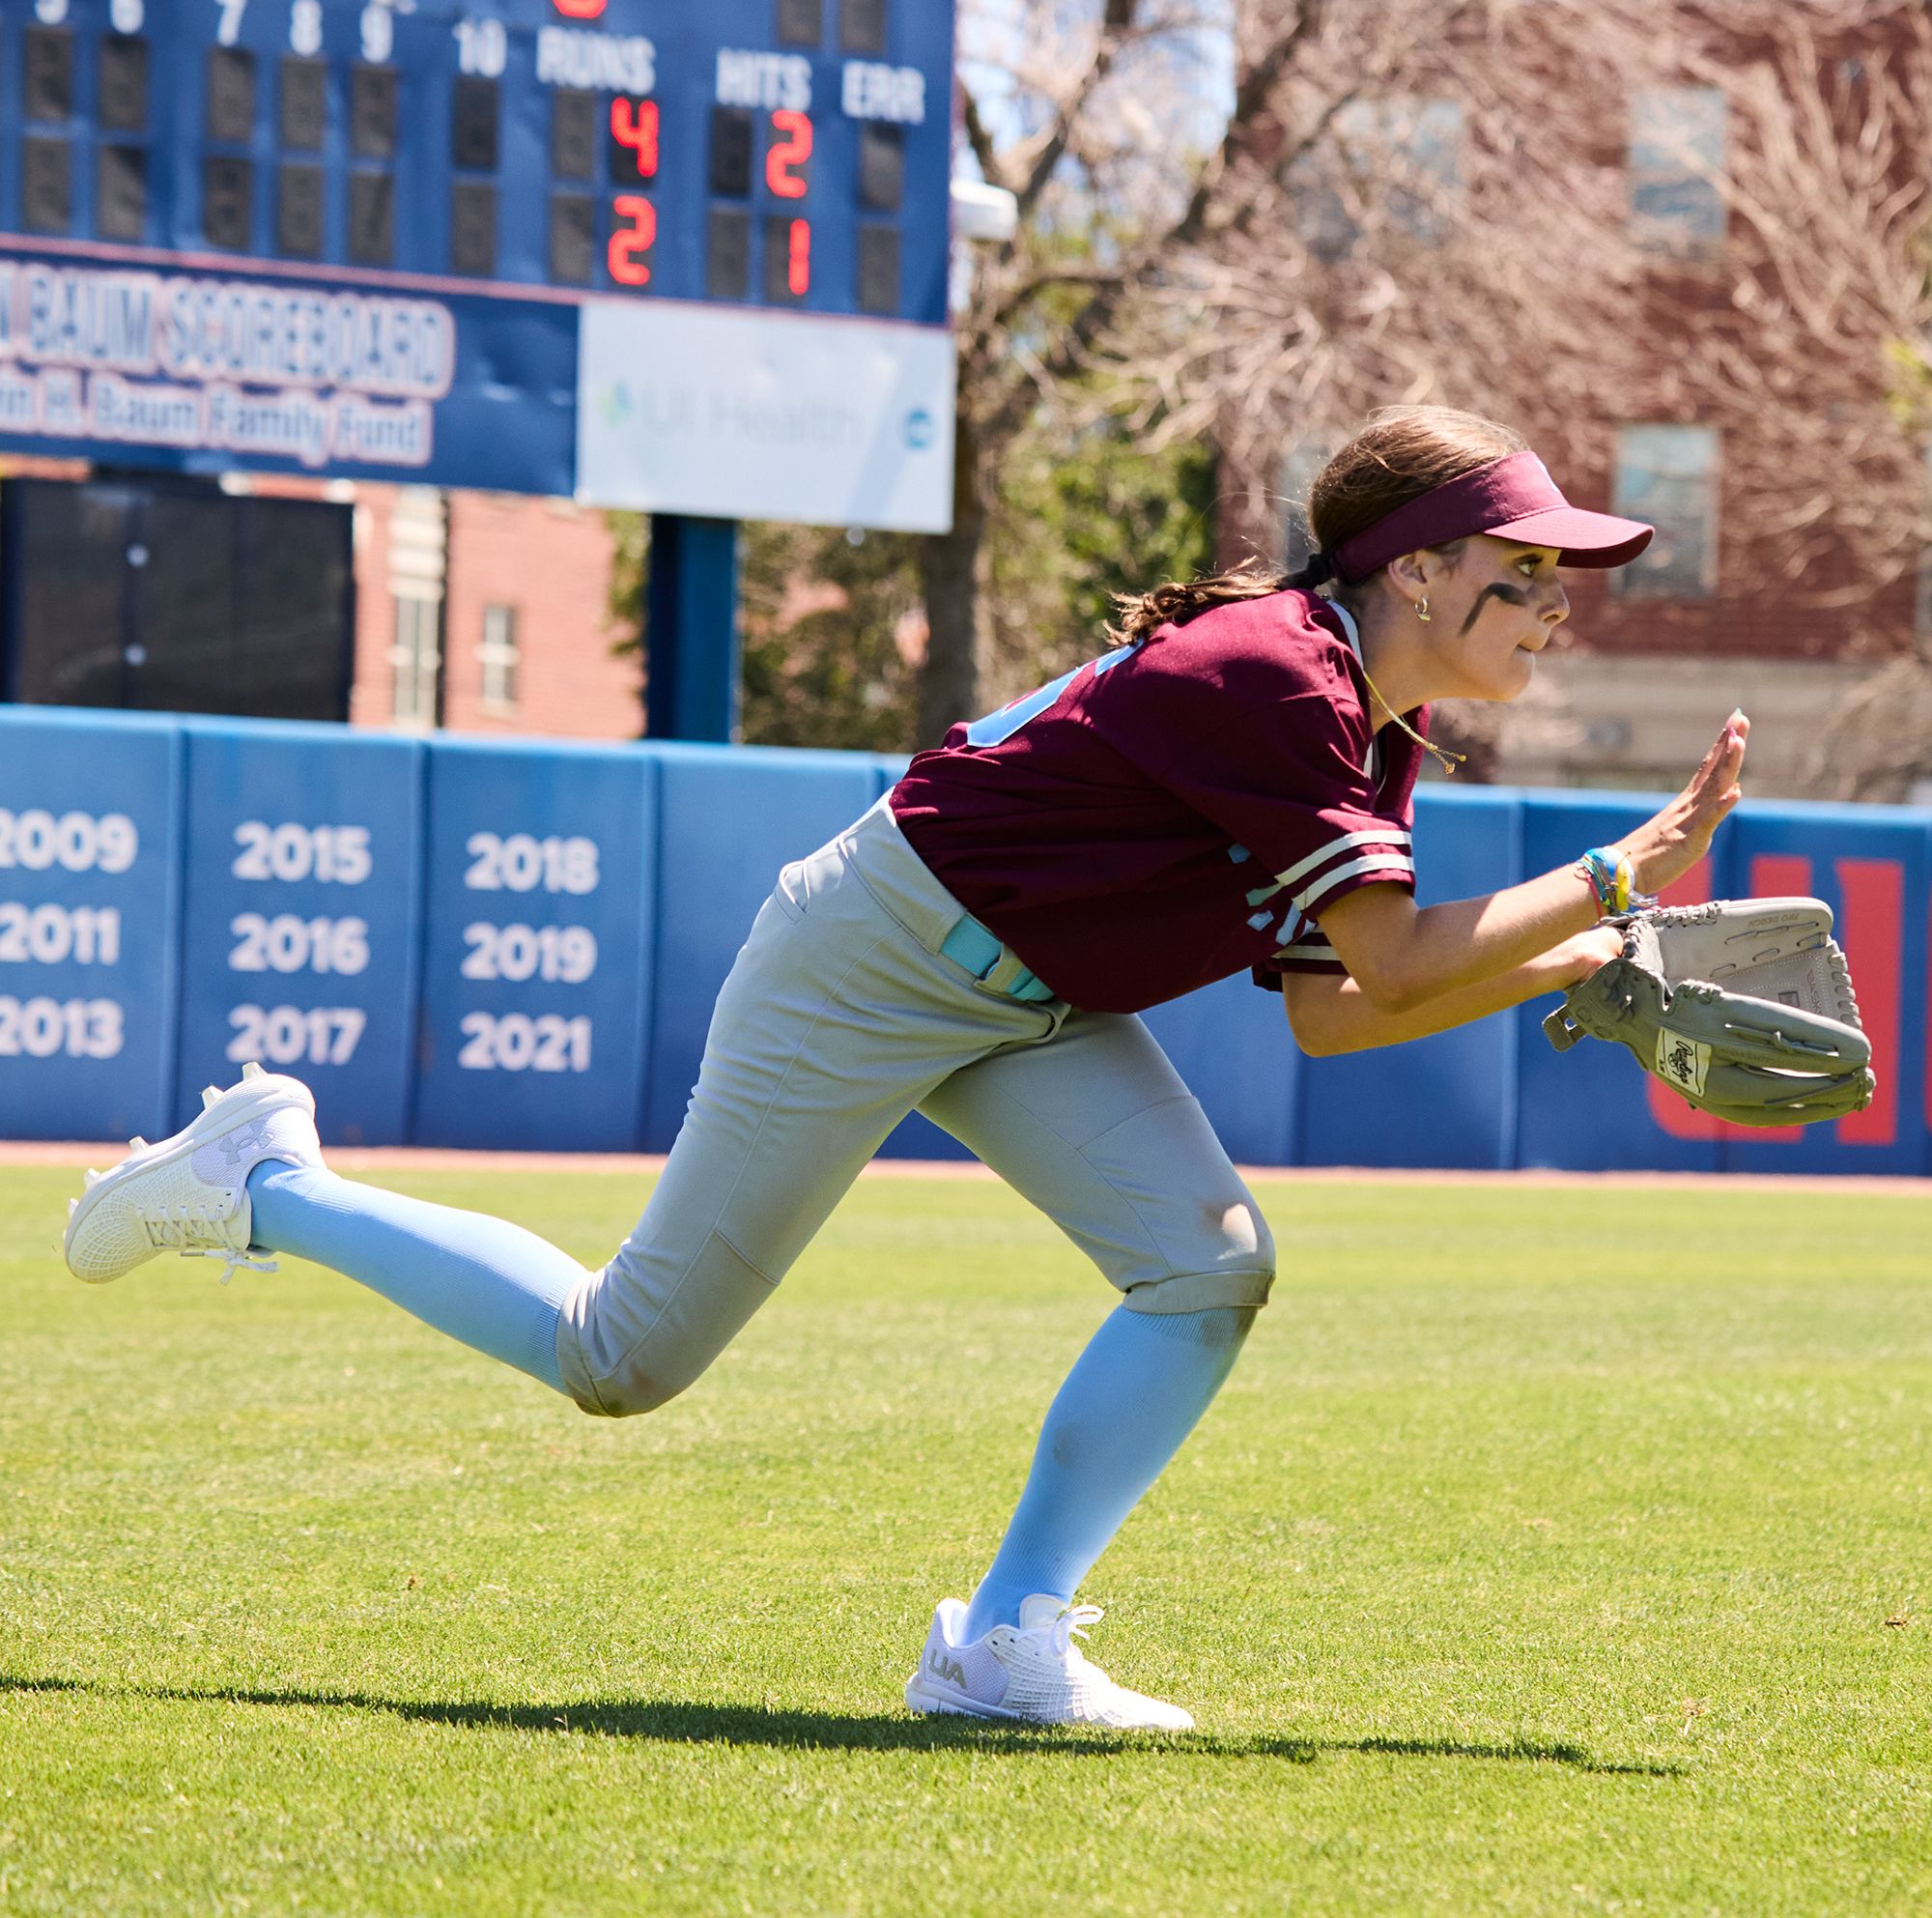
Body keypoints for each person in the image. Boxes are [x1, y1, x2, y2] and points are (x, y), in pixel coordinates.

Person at [63, 404, 1748, 1732]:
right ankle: (265, 1182)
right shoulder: (1277, 674)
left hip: (1034, 998)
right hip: (878, 955)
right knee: (620, 1357)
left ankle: (1004, 1641)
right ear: (1414, 571)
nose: (1554, 610)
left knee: (1207, 1269)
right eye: (1523, 574)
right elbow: (1382, 967)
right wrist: (1621, 872)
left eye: (1560, 581)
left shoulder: (1367, 719)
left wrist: (1582, 958)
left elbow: (1333, 1007)